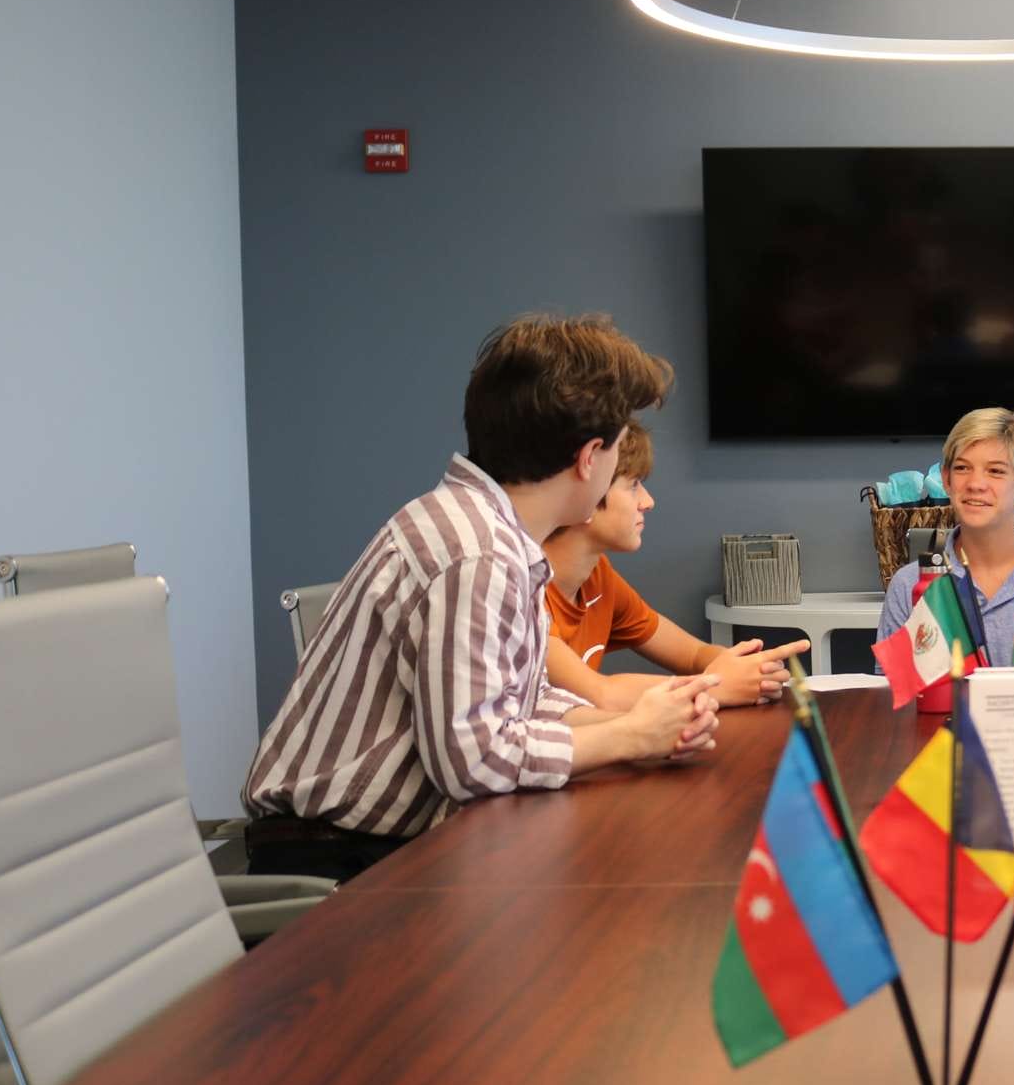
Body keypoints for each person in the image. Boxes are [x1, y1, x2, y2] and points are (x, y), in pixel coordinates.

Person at [243, 314, 720, 877]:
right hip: (335, 861)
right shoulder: (478, 555)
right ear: (590, 458)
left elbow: (519, 703)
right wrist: (629, 737)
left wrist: (646, 720)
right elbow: (474, 761)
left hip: (371, 844)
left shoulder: (493, 533)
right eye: (618, 451)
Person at [541, 422, 808, 709]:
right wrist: (715, 686)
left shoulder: (598, 577)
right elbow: (600, 694)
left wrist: (747, 669)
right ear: (587, 494)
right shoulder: (524, 590)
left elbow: (694, 654)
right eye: (633, 486)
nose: (648, 501)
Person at [876, 407, 1014, 669]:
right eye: (962, 468)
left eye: (995, 471)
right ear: (946, 480)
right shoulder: (908, 585)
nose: (975, 483)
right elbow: (892, 694)